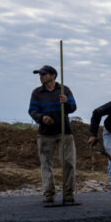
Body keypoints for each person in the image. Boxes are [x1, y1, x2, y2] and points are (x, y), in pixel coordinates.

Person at [28, 65, 77, 204]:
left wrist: (66, 102)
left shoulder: (64, 90)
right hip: (45, 134)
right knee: (46, 164)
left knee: (68, 162)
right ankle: (48, 193)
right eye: (40, 74)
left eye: (43, 74)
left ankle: (68, 193)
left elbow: (73, 108)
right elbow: (32, 110)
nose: (41, 76)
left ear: (53, 75)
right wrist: (42, 117)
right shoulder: (37, 93)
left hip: (64, 132)